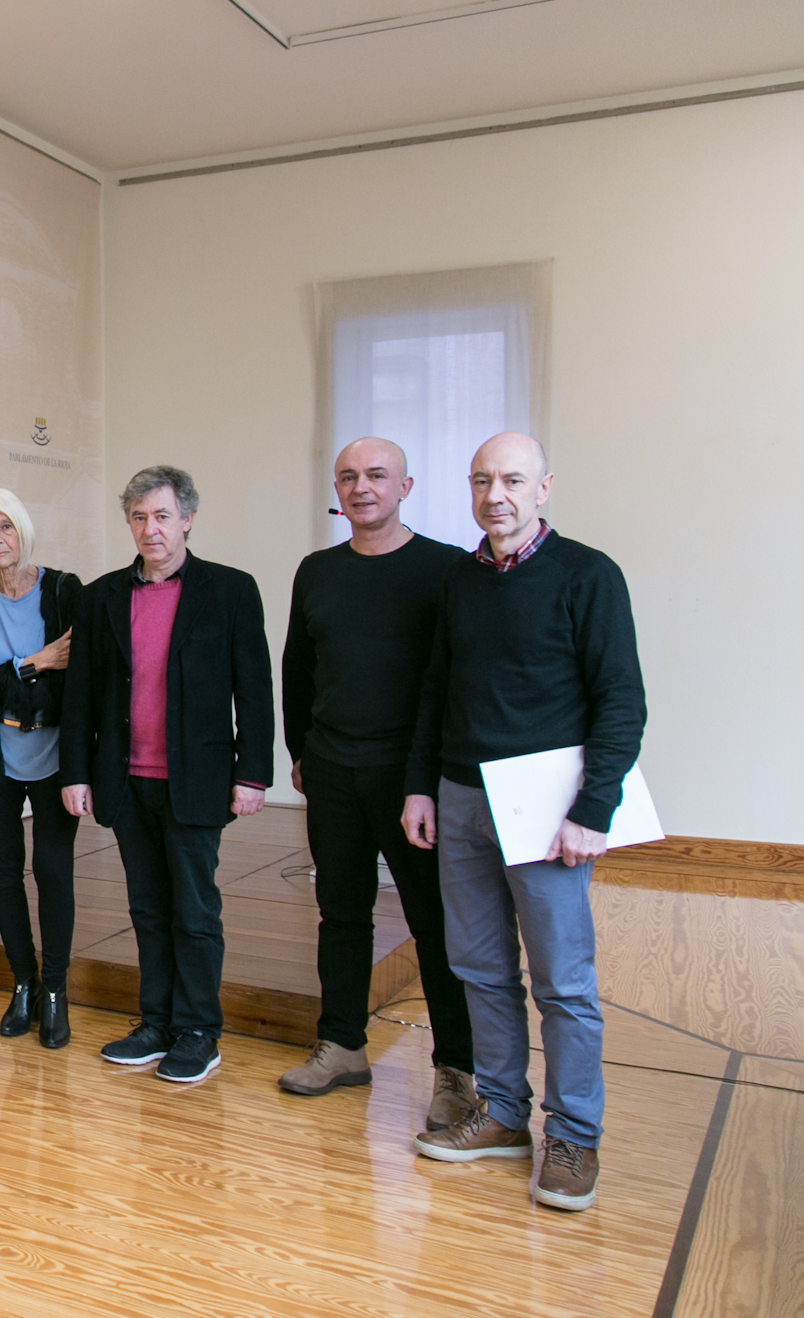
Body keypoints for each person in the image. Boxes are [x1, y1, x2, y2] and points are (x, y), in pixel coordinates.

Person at [403, 433, 645, 1213]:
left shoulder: (588, 574)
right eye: (482, 480)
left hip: (546, 809)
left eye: (512, 479)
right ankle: (503, 1113)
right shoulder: (460, 579)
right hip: (462, 797)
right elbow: (436, 688)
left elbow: (621, 701)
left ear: (544, 488)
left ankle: (574, 1133)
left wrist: (592, 810)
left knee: (563, 982)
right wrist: (421, 788)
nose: (495, 494)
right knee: (478, 967)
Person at [278, 439, 478, 1130]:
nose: (362, 487)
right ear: (337, 488)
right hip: (332, 770)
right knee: (341, 915)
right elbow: (297, 669)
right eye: (349, 476)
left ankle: (456, 1069)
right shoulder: (318, 570)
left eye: (376, 475)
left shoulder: (446, 568)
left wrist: (434, 775)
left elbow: (454, 680)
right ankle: (341, 1045)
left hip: (410, 779)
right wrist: (300, 750)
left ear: (405, 486)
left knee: (434, 924)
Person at [61, 465, 273, 1085]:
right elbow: (82, 696)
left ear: (186, 519)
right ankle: (155, 1022)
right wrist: (76, 773)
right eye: (138, 517)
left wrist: (253, 773)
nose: (150, 529)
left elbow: (254, 689)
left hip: (198, 780)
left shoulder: (231, 590)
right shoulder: (100, 596)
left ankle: (199, 1030)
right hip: (125, 781)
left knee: (195, 911)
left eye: (161, 516)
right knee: (147, 908)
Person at [0, 487, 81, 1047]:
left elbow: (78, 681)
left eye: (6, 527)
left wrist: (9, 678)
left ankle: (54, 990)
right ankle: (21, 983)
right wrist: (35, 664)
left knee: (52, 872)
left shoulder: (63, 590)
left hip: (55, 755)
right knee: (3, 875)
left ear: (23, 530)